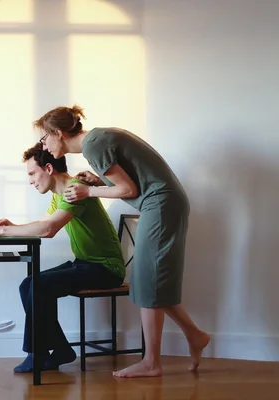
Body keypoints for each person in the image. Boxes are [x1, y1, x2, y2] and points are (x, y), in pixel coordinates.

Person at [34, 105, 210, 378]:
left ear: (59, 132)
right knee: (152, 279)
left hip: (159, 205)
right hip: (162, 203)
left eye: (44, 137)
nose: (43, 143)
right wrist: (97, 179)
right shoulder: (98, 138)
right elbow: (130, 180)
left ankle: (152, 362)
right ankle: (195, 335)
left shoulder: (94, 145)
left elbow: (129, 190)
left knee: (146, 280)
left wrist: (88, 191)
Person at [0, 142, 126, 373]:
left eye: (32, 173)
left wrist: (1, 232)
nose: (30, 180)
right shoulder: (59, 195)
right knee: (29, 284)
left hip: (106, 269)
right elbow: (43, 225)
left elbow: (48, 230)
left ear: (48, 168)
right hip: (86, 264)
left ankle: (37, 353)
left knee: (38, 285)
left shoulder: (75, 190)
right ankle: (60, 349)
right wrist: (14, 226)